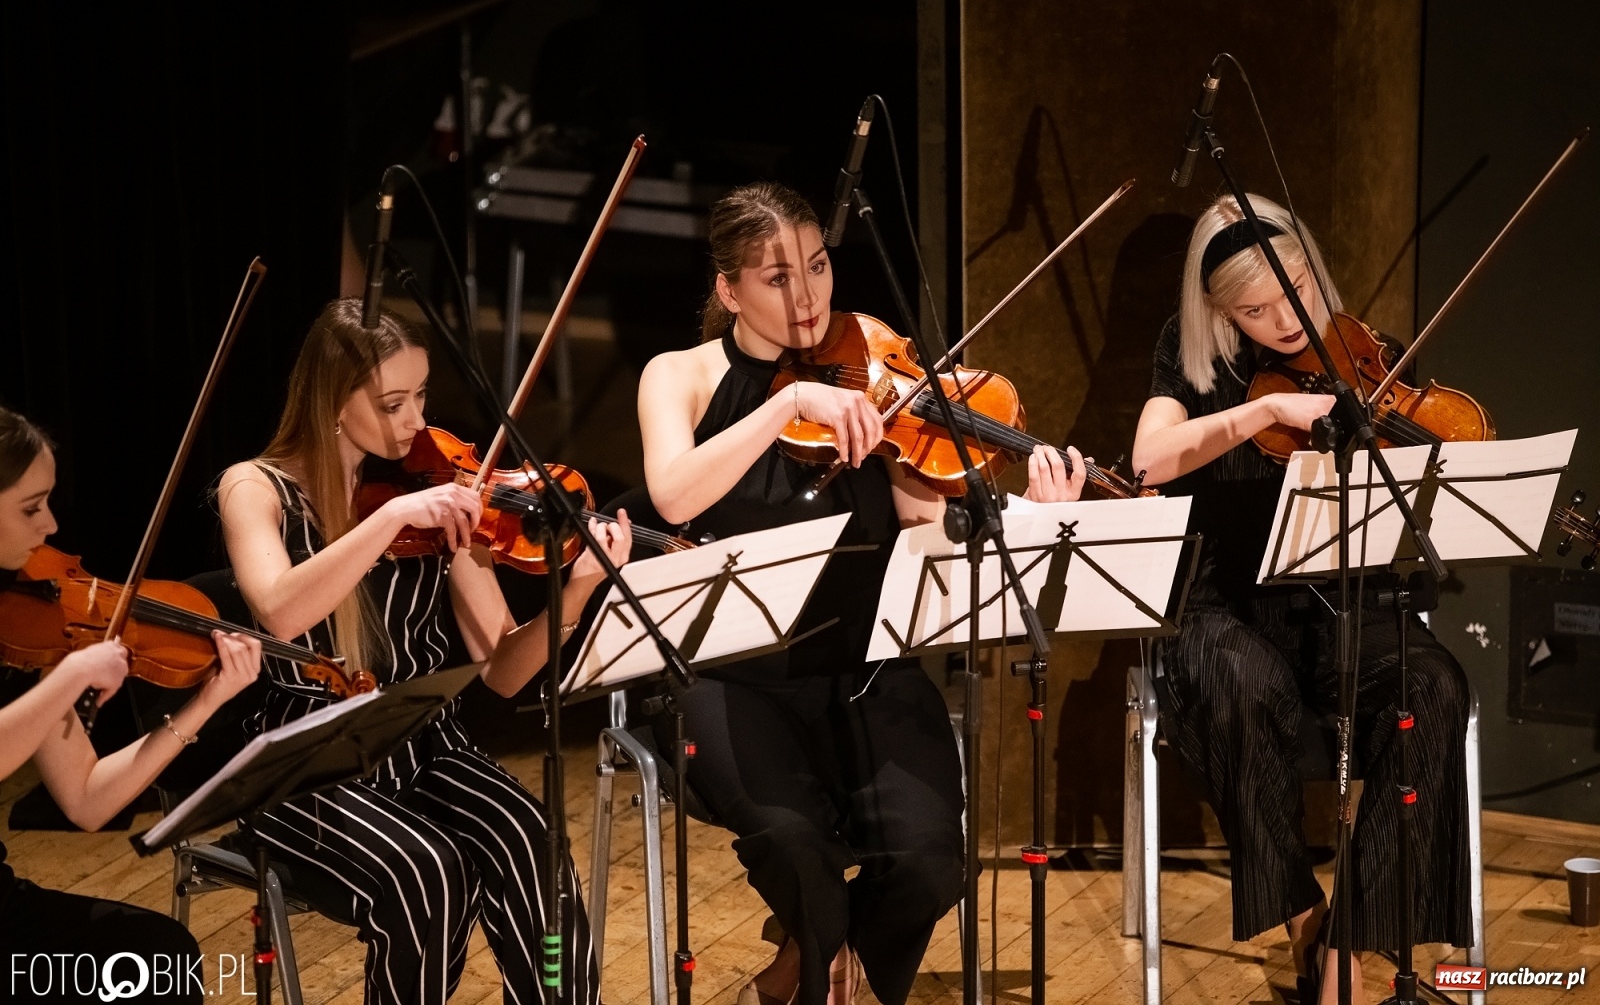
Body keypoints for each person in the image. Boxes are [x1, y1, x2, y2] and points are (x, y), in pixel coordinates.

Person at [636, 181, 1086, 1005]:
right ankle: (820, 962)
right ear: (729, 290)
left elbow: (925, 514)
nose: (807, 296)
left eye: (817, 266)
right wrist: (788, 406)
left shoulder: (869, 382)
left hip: (863, 667)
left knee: (930, 860)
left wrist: (1025, 513)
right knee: (793, 841)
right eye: (777, 278)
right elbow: (672, 495)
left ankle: (805, 963)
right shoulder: (682, 377)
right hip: (730, 678)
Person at [214, 299, 631, 1005]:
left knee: (531, 842)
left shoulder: (433, 485)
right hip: (307, 758)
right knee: (428, 872)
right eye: (393, 402)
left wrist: (573, 597)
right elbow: (280, 609)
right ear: (331, 400)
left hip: (420, 738)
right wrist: (390, 520)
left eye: (423, 396)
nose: (416, 422)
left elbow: (502, 670)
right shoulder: (255, 489)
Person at [1130, 194, 1472, 1004]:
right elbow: (1148, 459)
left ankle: (1346, 943)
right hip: (1226, 600)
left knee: (1435, 686)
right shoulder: (1191, 355)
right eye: (1254, 309)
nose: (1284, 319)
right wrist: (1265, 411)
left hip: (1341, 595)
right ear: (1218, 311)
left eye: (1296, 293)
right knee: (1242, 685)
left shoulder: (1371, 354)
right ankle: (1304, 923)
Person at [0, 405, 263, 1004]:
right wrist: (67, 681)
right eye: (29, 506)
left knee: (158, 955)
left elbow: (89, 797)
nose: (50, 524)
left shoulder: (23, 625)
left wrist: (204, 703)